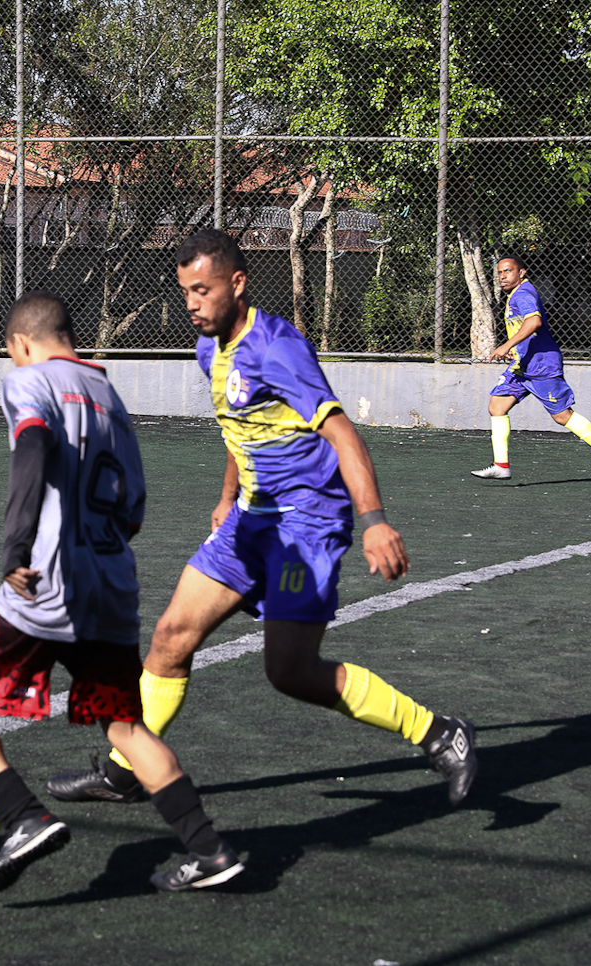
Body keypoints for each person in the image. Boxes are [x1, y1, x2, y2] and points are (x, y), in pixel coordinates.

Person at [46, 229, 479, 813]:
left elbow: (342, 433)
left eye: (203, 289)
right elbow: (238, 424)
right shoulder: (210, 348)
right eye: (185, 292)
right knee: (171, 639)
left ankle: (437, 733)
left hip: (306, 527)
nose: (192, 303)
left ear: (238, 283)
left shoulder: (278, 347)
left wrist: (374, 520)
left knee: (291, 671)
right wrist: (228, 496)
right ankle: (127, 772)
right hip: (252, 521)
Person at [0, 290, 244, 895]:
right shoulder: (110, 397)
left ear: (20, 344)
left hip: (48, 583)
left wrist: (17, 544)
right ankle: (210, 849)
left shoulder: (28, 382)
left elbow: (34, 449)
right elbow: (134, 509)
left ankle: (23, 818)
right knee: (126, 728)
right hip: (113, 586)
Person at [471, 255, 591, 482]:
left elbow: (534, 322)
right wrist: (516, 349)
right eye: (500, 272)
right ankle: (501, 465)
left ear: (521, 273)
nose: (502, 276)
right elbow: (526, 329)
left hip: (541, 365)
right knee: (497, 406)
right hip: (523, 364)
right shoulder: (515, 295)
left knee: (562, 416)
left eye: (508, 271)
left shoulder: (523, 293)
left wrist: (506, 345)